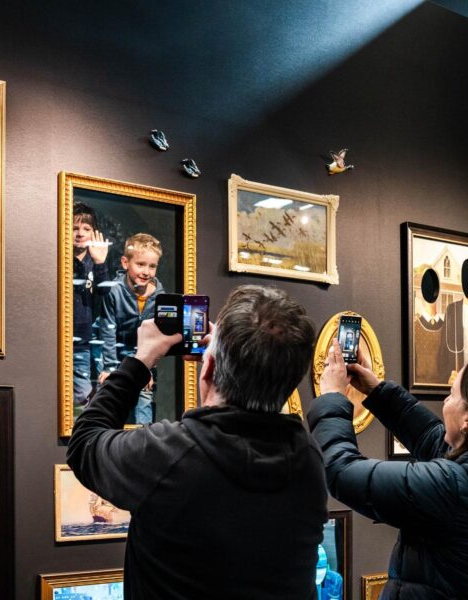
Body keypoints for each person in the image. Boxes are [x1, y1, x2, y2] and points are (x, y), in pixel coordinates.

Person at [68, 285, 328, 599]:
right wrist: (240, 354)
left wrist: (141, 360)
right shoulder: (308, 460)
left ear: (209, 369)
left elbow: (84, 442)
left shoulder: (168, 455)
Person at [308, 339, 468, 599]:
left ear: (466, 420)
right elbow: (432, 438)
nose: (446, 401)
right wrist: (376, 391)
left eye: (452, 394)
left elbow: (342, 471)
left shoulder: (451, 487)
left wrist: (331, 399)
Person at [98, 233, 165, 424]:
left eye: (152, 266)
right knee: (110, 397)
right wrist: (109, 367)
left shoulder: (160, 297)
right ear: (125, 263)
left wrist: (147, 368)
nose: (146, 272)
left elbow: (156, 338)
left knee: (144, 397)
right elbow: (107, 330)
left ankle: (143, 439)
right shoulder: (113, 290)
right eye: (140, 264)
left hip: (143, 357)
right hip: (112, 352)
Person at [72, 202, 110, 413]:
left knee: (82, 396)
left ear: (94, 233)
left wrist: (100, 263)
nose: (80, 233)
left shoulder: (94, 261)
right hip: (56, 338)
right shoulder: (60, 257)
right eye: (75, 228)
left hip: (82, 343)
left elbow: (104, 291)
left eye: (86, 229)